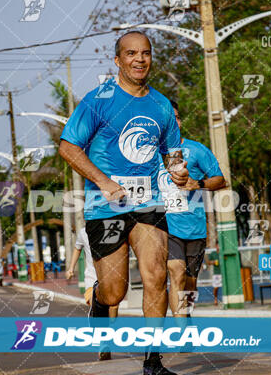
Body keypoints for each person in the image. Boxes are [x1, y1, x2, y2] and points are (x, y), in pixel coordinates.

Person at [59, 30, 188, 375]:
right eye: (131, 54)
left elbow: (172, 154)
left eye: (145, 53)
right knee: (115, 292)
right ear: (118, 60)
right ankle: (100, 304)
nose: (139, 59)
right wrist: (103, 182)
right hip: (106, 207)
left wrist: (178, 172)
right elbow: (68, 147)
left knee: (155, 276)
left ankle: (153, 362)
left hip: (148, 203)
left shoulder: (161, 104)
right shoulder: (97, 100)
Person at [159, 102, 226, 317]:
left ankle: (185, 316)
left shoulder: (196, 150)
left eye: (176, 117)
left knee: (190, 282)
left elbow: (221, 180)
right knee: (176, 273)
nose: (172, 122)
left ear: (180, 121)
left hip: (195, 227)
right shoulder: (150, 154)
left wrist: (198, 184)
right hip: (166, 226)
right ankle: (181, 331)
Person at [66, 227, 118, 361]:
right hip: (92, 279)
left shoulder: (111, 229)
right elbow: (77, 249)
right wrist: (71, 268)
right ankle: (103, 342)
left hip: (111, 277)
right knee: (97, 303)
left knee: (113, 307)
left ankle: (106, 336)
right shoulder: (83, 232)